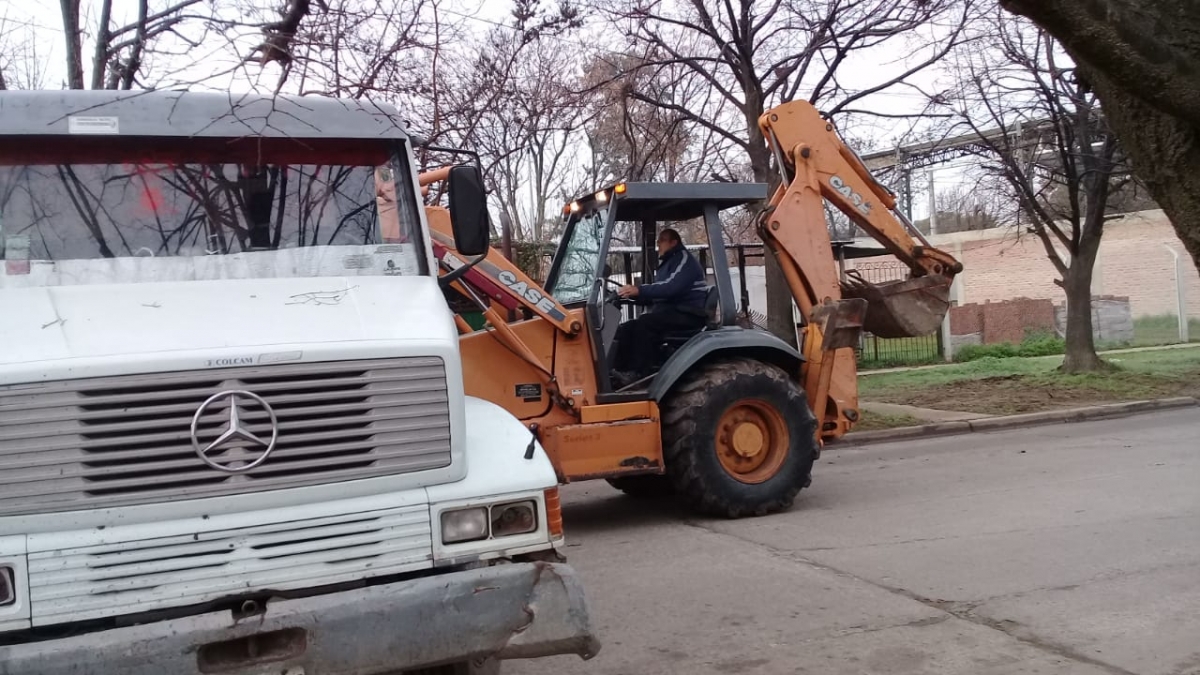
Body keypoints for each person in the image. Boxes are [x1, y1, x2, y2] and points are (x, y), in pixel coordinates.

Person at [611, 228, 708, 386]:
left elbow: (670, 288)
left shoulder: (684, 260)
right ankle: (619, 374)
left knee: (645, 323)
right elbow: (659, 293)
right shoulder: (668, 263)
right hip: (672, 311)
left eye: (662, 240)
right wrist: (632, 296)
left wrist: (639, 290)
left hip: (688, 314)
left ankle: (637, 373)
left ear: (674, 242)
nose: (658, 244)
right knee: (627, 328)